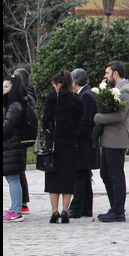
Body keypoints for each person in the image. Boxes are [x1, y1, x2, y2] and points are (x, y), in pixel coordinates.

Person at [94, 61, 129, 222]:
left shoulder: (125, 91)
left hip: (117, 139)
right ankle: (114, 207)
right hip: (109, 139)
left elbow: (120, 116)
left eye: (107, 73)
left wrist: (98, 118)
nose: (105, 76)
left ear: (115, 73)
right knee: (105, 173)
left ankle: (118, 210)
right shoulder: (116, 89)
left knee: (115, 175)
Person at [42, 70, 84, 223]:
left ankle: (54, 211)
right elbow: (81, 121)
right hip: (70, 142)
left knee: (53, 177)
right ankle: (66, 210)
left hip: (53, 142)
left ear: (58, 84)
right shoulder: (77, 99)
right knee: (68, 177)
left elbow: (46, 119)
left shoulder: (52, 98)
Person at [68, 68, 98, 219]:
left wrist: (75, 137)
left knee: (79, 174)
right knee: (85, 175)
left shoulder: (85, 95)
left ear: (74, 82)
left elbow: (84, 120)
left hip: (84, 141)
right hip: (87, 141)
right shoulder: (86, 94)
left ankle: (77, 207)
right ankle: (86, 207)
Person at [3, 75, 28, 222]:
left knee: (13, 177)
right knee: (12, 177)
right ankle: (15, 206)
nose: (3, 90)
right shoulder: (12, 105)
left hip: (12, 146)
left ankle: (17, 210)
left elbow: (7, 126)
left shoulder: (15, 106)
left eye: (6, 87)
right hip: (11, 146)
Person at [13, 68, 36, 215]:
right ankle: (22, 202)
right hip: (21, 136)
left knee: (18, 171)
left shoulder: (27, 96)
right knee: (19, 170)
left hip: (21, 137)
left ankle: (22, 203)